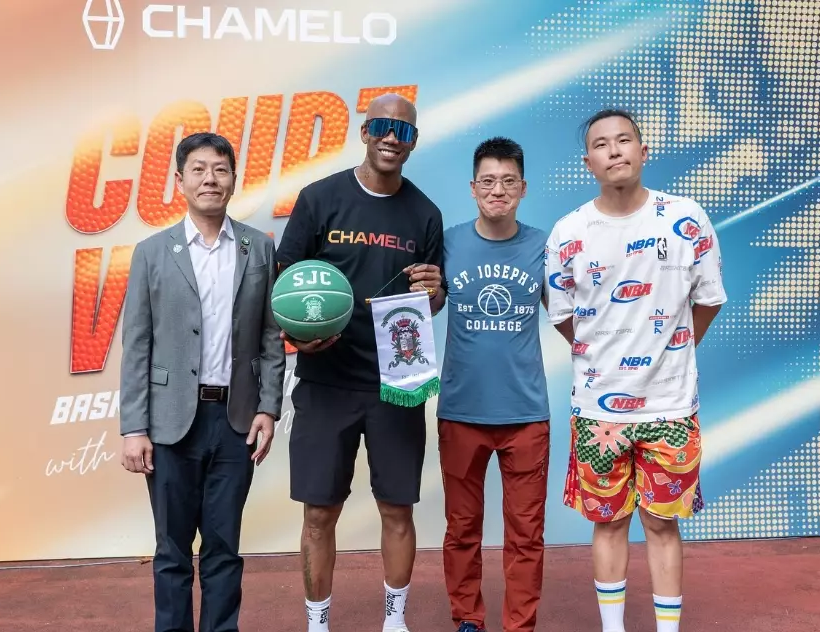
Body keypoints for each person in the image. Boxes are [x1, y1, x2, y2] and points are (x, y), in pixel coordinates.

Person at [544, 109, 726, 632]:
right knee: (608, 523)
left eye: (624, 140)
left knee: (663, 524)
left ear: (643, 152)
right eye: (602, 144)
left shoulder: (685, 218)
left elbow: (709, 300)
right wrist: (603, 356)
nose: (615, 150)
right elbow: (562, 316)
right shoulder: (569, 232)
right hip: (598, 410)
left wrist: (673, 350)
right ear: (588, 163)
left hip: (671, 407)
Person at [275, 93, 445, 632]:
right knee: (319, 513)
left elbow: (432, 299)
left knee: (397, 509)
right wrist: (298, 335)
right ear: (365, 131)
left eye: (404, 130)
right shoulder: (319, 199)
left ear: (413, 141)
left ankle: (394, 621)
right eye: (383, 126)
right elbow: (284, 282)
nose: (393, 137)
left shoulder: (425, 213)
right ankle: (317, 623)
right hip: (326, 380)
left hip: (399, 380)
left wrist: (436, 291)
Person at [119, 132, 286, 632]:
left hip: (235, 422)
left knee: (223, 548)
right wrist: (134, 427)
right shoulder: (152, 252)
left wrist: (269, 407)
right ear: (180, 181)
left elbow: (271, 336)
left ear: (233, 179)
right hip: (170, 423)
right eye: (198, 169)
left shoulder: (260, 248)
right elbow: (137, 345)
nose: (209, 179)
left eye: (219, 169)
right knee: (171, 551)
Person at [436, 137, 550, 632]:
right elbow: (424, 306)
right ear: (472, 187)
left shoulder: (546, 245)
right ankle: (468, 618)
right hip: (461, 411)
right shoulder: (447, 243)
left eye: (508, 181)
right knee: (462, 529)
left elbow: (573, 314)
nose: (497, 190)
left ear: (523, 188)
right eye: (488, 181)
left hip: (526, 414)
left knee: (526, 533)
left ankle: (519, 625)